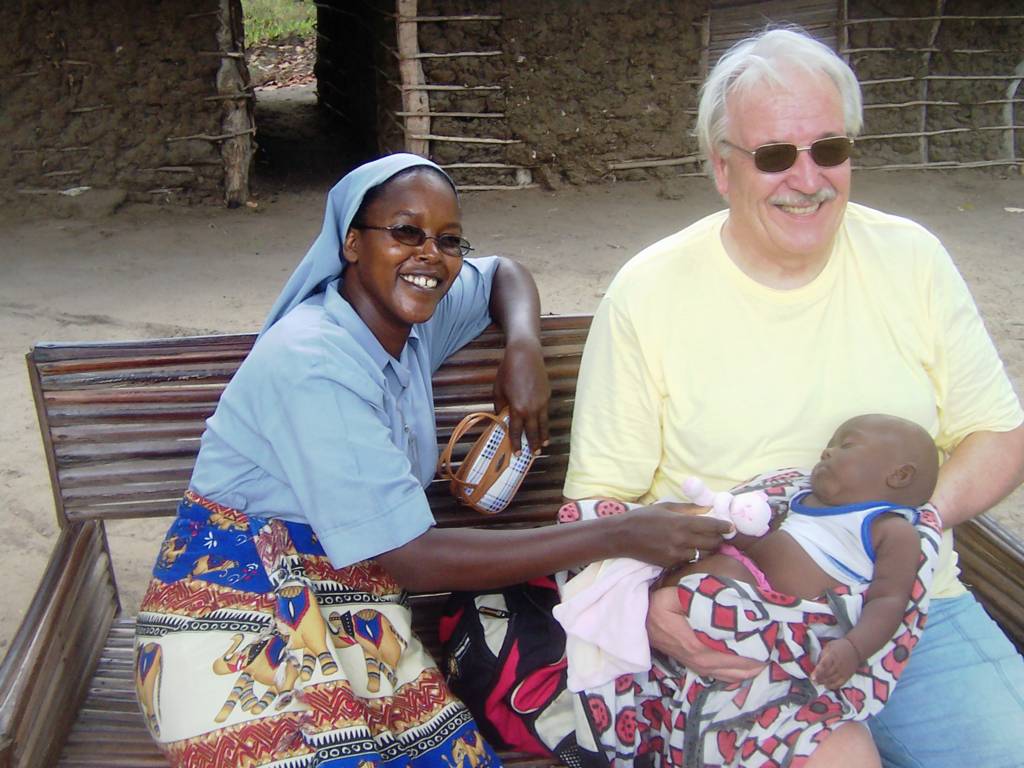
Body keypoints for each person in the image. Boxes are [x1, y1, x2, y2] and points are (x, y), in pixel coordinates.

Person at [133, 153, 731, 768]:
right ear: (351, 244)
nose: (431, 256)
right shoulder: (313, 361)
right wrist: (619, 534)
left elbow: (504, 273)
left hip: (348, 597)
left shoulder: (408, 323)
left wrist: (523, 347)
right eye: (405, 232)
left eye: (448, 240)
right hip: (234, 605)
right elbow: (409, 558)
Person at [564, 26, 1024, 768]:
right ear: (722, 168)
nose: (807, 178)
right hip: (741, 617)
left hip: (916, 607)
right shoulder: (649, 294)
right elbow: (598, 505)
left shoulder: (911, 259)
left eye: (829, 150)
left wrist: (902, 533)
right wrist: (648, 607)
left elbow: (999, 435)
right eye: (775, 155)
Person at [669, 413, 939, 690]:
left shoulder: (891, 529)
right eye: (830, 445)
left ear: (899, 475)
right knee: (696, 553)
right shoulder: (804, 498)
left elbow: (889, 600)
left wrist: (854, 648)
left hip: (778, 615)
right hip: (744, 582)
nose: (827, 451)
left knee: (719, 573)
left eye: (845, 445)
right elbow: (764, 542)